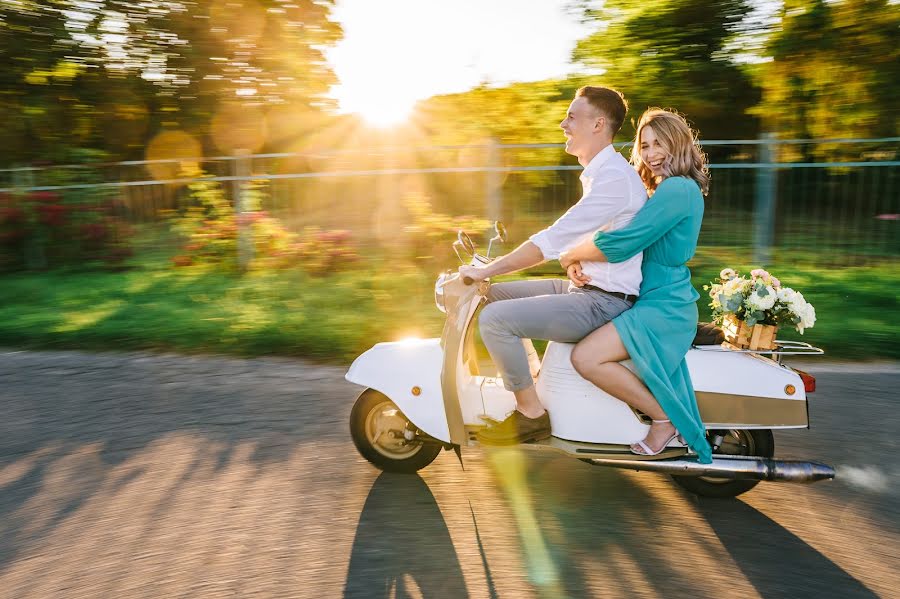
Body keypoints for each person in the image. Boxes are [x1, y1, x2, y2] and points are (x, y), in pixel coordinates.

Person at [458, 86, 647, 445]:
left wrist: (485, 269)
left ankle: (531, 414)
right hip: (588, 288)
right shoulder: (600, 174)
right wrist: (573, 258)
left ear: (598, 124)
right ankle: (533, 381)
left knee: (494, 320)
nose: (563, 123)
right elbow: (587, 238)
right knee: (489, 297)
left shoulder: (613, 180)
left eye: (572, 116)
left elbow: (552, 239)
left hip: (604, 303)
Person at [559, 108, 713, 463]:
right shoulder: (666, 189)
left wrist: (568, 255)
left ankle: (663, 420)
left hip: (664, 304)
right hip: (655, 295)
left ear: (679, 144)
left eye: (659, 143)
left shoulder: (677, 189)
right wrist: (581, 261)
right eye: (644, 146)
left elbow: (625, 242)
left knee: (587, 357)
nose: (651, 153)